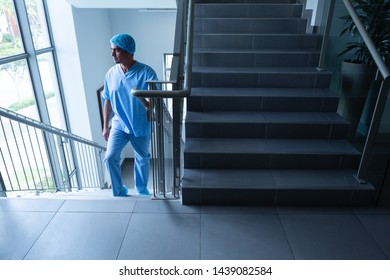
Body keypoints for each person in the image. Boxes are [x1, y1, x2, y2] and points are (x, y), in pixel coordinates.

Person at [102, 34, 158, 196]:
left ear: (128, 51)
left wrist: (149, 103)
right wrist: (106, 126)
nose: (112, 54)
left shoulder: (147, 72)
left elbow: (153, 99)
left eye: (116, 50)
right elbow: (107, 100)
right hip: (119, 124)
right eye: (112, 50)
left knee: (142, 159)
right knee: (110, 158)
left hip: (140, 124)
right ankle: (119, 191)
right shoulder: (111, 73)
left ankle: (141, 190)